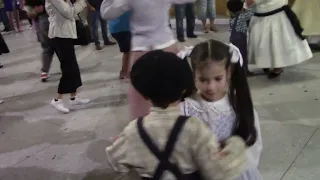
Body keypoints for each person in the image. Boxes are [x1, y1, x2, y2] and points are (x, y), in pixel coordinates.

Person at [106, 50, 247, 180]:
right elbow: (216, 173)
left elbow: (116, 162)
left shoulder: (134, 130)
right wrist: (236, 145)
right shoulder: (194, 127)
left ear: (143, 95)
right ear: (184, 89)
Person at [179, 39, 263, 180]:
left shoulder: (238, 107)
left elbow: (254, 145)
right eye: (203, 80)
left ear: (228, 73)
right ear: (194, 76)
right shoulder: (186, 108)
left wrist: (235, 153)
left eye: (218, 79)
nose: (211, 87)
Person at [100, 0, 197, 120]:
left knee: (143, 94)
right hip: (165, 44)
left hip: (142, 49)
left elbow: (106, 13)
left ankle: (145, 129)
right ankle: (175, 126)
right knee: (173, 90)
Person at [247, 0, 312, 79]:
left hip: (274, 10)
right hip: (259, 11)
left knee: (276, 41)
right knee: (262, 40)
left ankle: (277, 66)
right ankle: (266, 62)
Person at [45, 0, 90, 113]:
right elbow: (68, 12)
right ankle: (57, 99)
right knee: (68, 69)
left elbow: (71, 13)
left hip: (66, 35)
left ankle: (73, 97)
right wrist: (82, 2)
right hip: (59, 36)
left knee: (73, 67)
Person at [24, 0, 54, 82]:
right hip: (49, 17)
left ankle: (44, 72)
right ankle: (67, 69)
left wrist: (32, 12)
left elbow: (28, 9)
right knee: (59, 45)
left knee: (46, 47)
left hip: (39, 21)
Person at [227, 0, 254, 76]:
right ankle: (244, 71)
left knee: (235, 54)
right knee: (243, 55)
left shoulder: (231, 17)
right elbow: (251, 13)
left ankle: (235, 70)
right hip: (241, 39)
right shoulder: (242, 16)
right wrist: (250, 5)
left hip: (232, 39)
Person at [108, 12, 131, 79]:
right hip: (122, 29)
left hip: (116, 28)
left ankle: (125, 71)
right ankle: (124, 72)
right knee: (128, 52)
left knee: (128, 51)